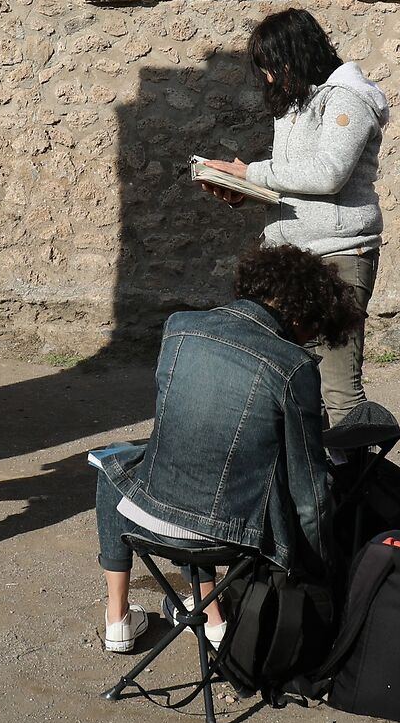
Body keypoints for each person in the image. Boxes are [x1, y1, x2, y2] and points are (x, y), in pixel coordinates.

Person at [93, 246, 352, 654]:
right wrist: (319, 569)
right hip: (229, 535)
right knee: (225, 481)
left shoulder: (179, 327)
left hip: (153, 512)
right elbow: (309, 490)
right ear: (301, 314)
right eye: (313, 331)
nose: (309, 340)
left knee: (115, 463)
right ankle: (212, 616)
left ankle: (118, 618)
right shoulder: (293, 365)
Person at [197, 9, 390, 423]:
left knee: (339, 390)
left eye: (271, 67)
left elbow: (328, 174)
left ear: (296, 56)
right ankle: (310, 483)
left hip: (337, 256)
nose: (268, 79)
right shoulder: (295, 104)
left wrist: (250, 171)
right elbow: (293, 182)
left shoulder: (347, 99)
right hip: (288, 259)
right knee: (294, 386)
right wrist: (242, 193)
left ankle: (355, 485)